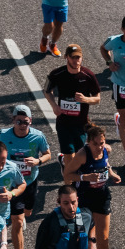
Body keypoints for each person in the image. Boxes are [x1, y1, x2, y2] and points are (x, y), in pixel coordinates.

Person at [0, 104, 52, 249]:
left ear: (30, 122)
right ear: (13, 120)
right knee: (17, 221)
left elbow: (48, 154)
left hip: (30, 181)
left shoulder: (38, 136)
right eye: (18, 121)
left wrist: (38, 160)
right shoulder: (2, 135)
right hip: (11, 183)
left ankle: (20, 216)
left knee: (28, 212)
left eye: (25, 122)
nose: (21, 125)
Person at [63, 125, 120, 249]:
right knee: (80, 237)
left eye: (102, 143)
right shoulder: (82, 155)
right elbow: (67, 174)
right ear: (88, 142)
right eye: (95, 144)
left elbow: (106, 164)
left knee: (104, 238)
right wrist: (85, 177)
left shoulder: (106, 149)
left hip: (101, 196)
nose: (99, 147)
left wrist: (112, 174)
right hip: (83, 199)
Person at [44, 44, 101, 172]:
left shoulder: (88, 76)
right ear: (66, 57)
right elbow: (47, 91)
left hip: (81, 124)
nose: (76, 61)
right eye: (73, 57)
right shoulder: (57, 74)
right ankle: (70, 182)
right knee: (69, 153)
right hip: (63, 123)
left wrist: (85, 99)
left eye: (78, 57)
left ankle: (65, 163)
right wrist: (54, 106)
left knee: (78, 153)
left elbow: (97, 98)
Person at [99, 15, 125, 166]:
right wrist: (109, 63)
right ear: (122, 29)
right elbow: (103, 48)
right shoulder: (114, 40)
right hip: (120, 85)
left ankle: (119, 120)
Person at [34, 184, 96, 249]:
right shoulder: (49, 222)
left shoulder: (86, 215)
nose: (71, 207)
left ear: (77, 200)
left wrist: (92, 242)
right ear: (59, 202)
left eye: (73, 202)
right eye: (66, 203)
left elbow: (92, 225)